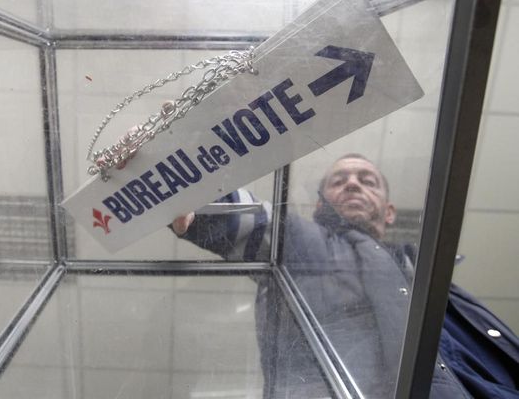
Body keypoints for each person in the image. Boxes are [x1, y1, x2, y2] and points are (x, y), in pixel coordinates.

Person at [170, 154, 519, 398]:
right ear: (320, 207)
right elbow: (249, 219)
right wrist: (181, 177)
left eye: (367, 181)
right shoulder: (306, 246)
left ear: (390, 211)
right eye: (339, 181)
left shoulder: (431, 274)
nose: (353, 184)